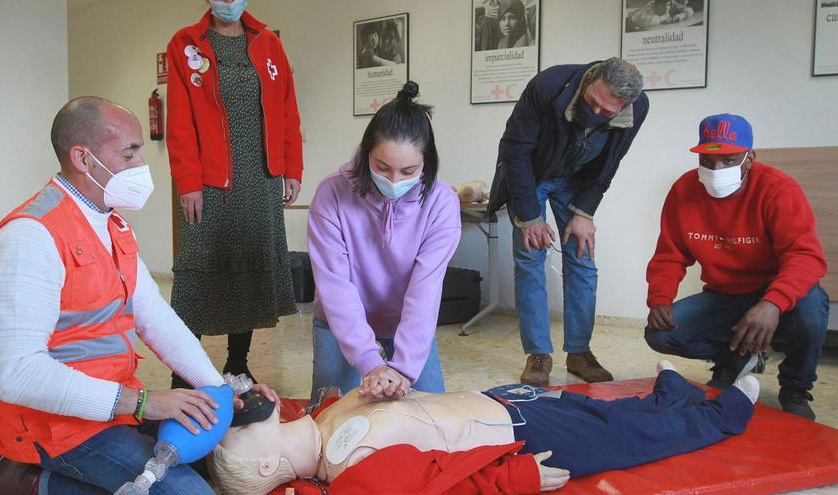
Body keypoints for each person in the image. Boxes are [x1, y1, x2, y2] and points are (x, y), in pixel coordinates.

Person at [0, 97, 279, 494]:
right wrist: (146, 402)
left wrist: (218, 387)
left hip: (113, 409)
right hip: (56, 427)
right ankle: (29, 481)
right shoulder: (30, 238)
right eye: (129, 153)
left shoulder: (110, 225)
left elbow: (156, 318)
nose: (141, 167)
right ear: (83, 158)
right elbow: (16, 375)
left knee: (221, 452)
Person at [207, 361, 760, 495]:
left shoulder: (322, 417)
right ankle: (724, 414)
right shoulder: (351, 475)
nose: (231, 419)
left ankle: (670, 394)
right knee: (633, 437)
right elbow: (443, 485)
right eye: (231, 433)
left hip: (501, 400)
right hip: (528, 438)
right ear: (262, 465)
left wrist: (381, 383)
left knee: (612, 414)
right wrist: (515, 479)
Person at [644, 113, 830, 421]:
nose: (716, 170)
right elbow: (670, 254)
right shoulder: (683, 190)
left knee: (810, 310)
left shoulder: (778, 189)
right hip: (725, 293)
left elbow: (805, 257)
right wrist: (659, 298)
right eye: (708, 160)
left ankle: (795, 387)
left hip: (778, 293)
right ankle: (734, 360)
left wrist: (772, 303)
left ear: (749, 158)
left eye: (729, 161)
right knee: (660, 334)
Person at [488, 58, 649, 387]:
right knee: (531, 257)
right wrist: (529, 216)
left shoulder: (638, 107)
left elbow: (610, 161)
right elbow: (515, 150)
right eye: (593, 103)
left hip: (578, 182)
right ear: (590, 79)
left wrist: (584, 213)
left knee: (583, 258)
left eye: (608, 112)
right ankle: (538, 355)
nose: (596, 114)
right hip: (531, 176)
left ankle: (579, 352)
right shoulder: (548, 85)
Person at [166, 0, 303, 385]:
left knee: (248, 270)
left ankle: (237, 364)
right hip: (207, 183)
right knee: (196, 276)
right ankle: (183, 373)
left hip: (261, 178)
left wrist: (292, 168)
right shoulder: (186, 44)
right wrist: (187, 183)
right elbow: (179, 121)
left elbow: (288, 110)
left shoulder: (268, 43)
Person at [307, 81, 461, 401]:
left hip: (408, 326)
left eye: (408, 170)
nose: (394, 181)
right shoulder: (331, 194)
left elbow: (425, 291)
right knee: (330, 418)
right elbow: (335, 286)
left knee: (433, 416)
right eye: (382, 167)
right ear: (365, 155)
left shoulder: (441, 203)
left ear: (426, 163)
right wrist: (369, 361)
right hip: (341, 325)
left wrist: (403, 368)